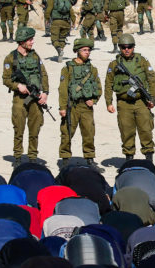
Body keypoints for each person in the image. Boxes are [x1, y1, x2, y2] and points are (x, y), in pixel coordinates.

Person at [105, 34, 155, 161]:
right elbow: (108, 83)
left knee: (146, 130)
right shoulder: (114, 64)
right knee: (126, 131)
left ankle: (148, 158)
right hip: (123, 103)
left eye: (129, 47)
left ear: (134, 47)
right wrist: (108, 102)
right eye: (123, 47)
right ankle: (129, 159)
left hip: (141, 102)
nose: (126, 50)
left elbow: (152, 79)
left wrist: (152, 98)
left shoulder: (142, 61)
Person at [2, 27, 49, 166]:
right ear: (22, 41)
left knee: (35, 128)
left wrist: (45, 93)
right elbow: (6, 79)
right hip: (20, 99)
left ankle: (32, 157)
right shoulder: (11, 58)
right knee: (19, 128)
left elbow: (43, 74)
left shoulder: (35, 56)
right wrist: (18, 86)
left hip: (35, 99)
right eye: (30, 40)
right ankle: (17, 157)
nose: (32, 42)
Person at [58, 38, 102, 170]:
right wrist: (62, 107)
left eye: (88, 50)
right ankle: (65, 160)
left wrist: (93, 100)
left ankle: (89, 158)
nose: (87, 52)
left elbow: (99, 88)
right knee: (67, 132)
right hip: (72, 106)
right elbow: (63, 89)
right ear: (77, 51)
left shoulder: (92, 69)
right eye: (84, 50)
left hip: (86, 107)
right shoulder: (68, 68)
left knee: (89, 132)